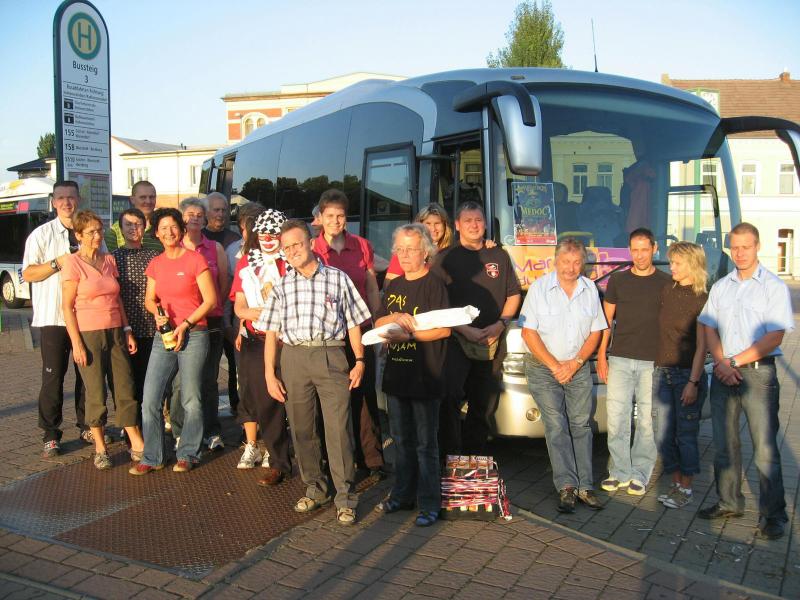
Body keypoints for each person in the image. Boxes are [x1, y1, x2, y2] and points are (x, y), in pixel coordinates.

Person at [263, 219, 371, 526]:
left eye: (297, 244)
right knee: (301, 428)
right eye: (287, 248)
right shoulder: (282, 285)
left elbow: (354, 322)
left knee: (338, 429)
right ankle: (316, 488)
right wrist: (270, 373)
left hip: (330, 354)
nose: (292, 251)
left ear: (311, 243)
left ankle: (345, 497)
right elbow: (271, 332)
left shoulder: (337, 279)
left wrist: (359, 360)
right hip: (294, 358)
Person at [697, 223, 794, 540]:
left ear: (757, 246)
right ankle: (728, 502)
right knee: (724, 445)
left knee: (764, 448)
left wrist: (734, 362)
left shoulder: (773, 287)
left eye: (746, 247)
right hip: (723, 372)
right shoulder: (721, 286)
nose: (739, 253)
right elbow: (709, 325)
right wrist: (721, 361)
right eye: (735, 247)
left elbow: (774, 336)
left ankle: (774, 514)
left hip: (757, 374)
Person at [520, 237, 607, 513]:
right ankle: (567, 486)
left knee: (581, 425)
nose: (571, 268)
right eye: (566, 262)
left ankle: (585, 486)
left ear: (583, 264)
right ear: (555, 262)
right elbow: (528, 333)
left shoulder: (590, 289)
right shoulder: (539, 288)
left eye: (576, 262)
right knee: (556, 424)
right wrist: (555, 366)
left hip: (577, 366)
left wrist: (576, 362)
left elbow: (596, 331)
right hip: (543, 367)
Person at [129, 208, 217, 475]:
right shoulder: (156, 263)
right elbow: (150, 299)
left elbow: (210, 300)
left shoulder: (195, 260)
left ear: (181, 229)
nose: (169, 232)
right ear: (156, 233)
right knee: (150, 399)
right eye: (163, 228)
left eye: (173, 227)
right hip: (164, 336)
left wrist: (186, 324)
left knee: (191, 398)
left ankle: (188, 453)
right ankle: (152, 456)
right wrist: (157, 314)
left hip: (194, 334)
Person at [374, 224, 450, 527]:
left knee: (425, 445)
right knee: (401, 441)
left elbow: (444, 330)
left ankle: (430, 503)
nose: (404, 255)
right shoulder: (394, 286)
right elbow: (378, 321)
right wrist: (393, 317)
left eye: (411, 249)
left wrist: (409, 336)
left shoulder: (435, 284)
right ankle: (402, 495)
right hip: (397, 375)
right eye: (400, 250)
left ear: (426, 252)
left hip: (425, 377)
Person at [433, 201, 521, 456]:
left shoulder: (499, 256)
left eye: (478, 220)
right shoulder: (445, 258)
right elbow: (437, 304)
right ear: (457, 225)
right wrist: (465, 329)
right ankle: (450, 457)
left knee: (483, 402)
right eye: (468, 221)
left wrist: (500, 325)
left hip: (491, 340)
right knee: (450, 398)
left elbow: (513, 294)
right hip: (456, 340)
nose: (474, 225)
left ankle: (475, 458)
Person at [61, 210, 145, 469]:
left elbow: (116, 298)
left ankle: (136, 441)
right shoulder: (72, 263)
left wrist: (127, 329)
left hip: (116, 330)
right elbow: (67, 307)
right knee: (96, 390)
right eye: (91, 232)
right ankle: (100, 447)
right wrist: (76, 343)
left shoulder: (108, 260)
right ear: (78, 235)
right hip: (89, 334)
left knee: (125, 386)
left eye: (99, 230)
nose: (97, 236)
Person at [312, 189, 385, 477]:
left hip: (361, 329)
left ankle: (372, 459)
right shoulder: (313, 249)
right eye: (329, 216)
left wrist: (378, 321)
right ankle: (332, 460)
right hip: (329, 335)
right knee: (330, 400)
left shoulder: (362, 245)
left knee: (364, 396)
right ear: (320, 217)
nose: (335, 221)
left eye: (340, 216)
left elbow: (371, 286)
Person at [596, 228, 671, 496]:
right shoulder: (618, 280)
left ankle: (640, 472)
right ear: (630, 251)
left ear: (654, 249)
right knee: (617, 417)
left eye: (644, 250)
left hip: (653, 362)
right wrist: (602, 355)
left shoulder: (666, 282)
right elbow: (605, 321)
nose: (639, 256)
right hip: (620, 359)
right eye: (635, 250)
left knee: (647, 421)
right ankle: (618, 471)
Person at [22, 180, 90, 457]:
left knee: (87, 375)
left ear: (78, 199)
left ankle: (87, 425)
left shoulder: (89, 231)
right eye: (60, 198)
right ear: (53, 202)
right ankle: (51, 434)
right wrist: (56, 263)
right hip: (53, 317)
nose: (66, 202)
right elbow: (28, 274)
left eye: (71, 197)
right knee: (53, 377)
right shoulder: (41, 235)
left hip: (85, 317)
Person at [230, 209, 291, 485]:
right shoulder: (246, 262)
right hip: (257, 340)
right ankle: (278, 462)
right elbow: (239, 304)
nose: (267, 238)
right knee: (265, 401)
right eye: (262, 233)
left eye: (273, 233)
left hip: (289, 341)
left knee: (297, 402)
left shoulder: (292, 260)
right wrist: (251, 313)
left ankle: (311, 460)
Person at [652, 242, 708, 509]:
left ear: (692, 265)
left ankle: (686, 488)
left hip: (687, 375)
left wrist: (693, 382)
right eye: (671, 261)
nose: (671, 267)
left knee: (685, 435)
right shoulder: (667, 290)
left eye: (676, 263)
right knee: (663, 433)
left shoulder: (703, 299)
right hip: (663, 372)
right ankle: (675, 483)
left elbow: (702, 347)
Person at [170, 198, 228, 451]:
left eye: (199, 214)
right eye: (189, 214)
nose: (194, 218)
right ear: (181, 218)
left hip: (210, 320)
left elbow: (223, 283)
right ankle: (180, 431)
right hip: (181, 324)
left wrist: (213, 307)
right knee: (180, 382)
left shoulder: (215, 248)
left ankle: (211, 430)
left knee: (208, 379)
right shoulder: (174, 248)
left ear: (205, 219)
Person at [112, 208, 161, 415]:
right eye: (128, 224)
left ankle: (149, 420)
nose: (133, 228)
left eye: (138, 224)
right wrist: (125, 328)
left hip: (151, 327)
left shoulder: (154, 256)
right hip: (125, 327)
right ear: (121, 229)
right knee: (125, 380)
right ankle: (130, 423)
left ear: (145, 227)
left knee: (149, 380)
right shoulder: (114, 258)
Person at [383, 203, 454, 285]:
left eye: (437, 223)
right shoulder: (403, 253)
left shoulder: (452, 253)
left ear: (445, 226)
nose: (433, 228)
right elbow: (389, 285)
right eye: (428, 223)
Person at [105, 181, 162, 251]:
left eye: (152, 197)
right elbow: (110, 257)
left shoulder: (164, 227)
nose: (148, 201)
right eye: (143, 197)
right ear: (132, 200)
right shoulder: (114, 231)